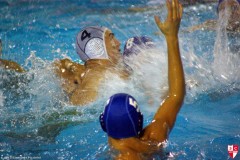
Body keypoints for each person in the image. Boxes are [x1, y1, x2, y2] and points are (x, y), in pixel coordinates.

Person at [99, 0, 185, 159]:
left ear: (103, 123)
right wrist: (172, 37)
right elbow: (175, 96)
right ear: (140, 122)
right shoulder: (154, 139)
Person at [55, 26, 129, 106]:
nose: (118, 43)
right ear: (96, 45)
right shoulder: (102, 78)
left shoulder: (81, 73)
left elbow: (59, 63)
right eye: (111, 38)